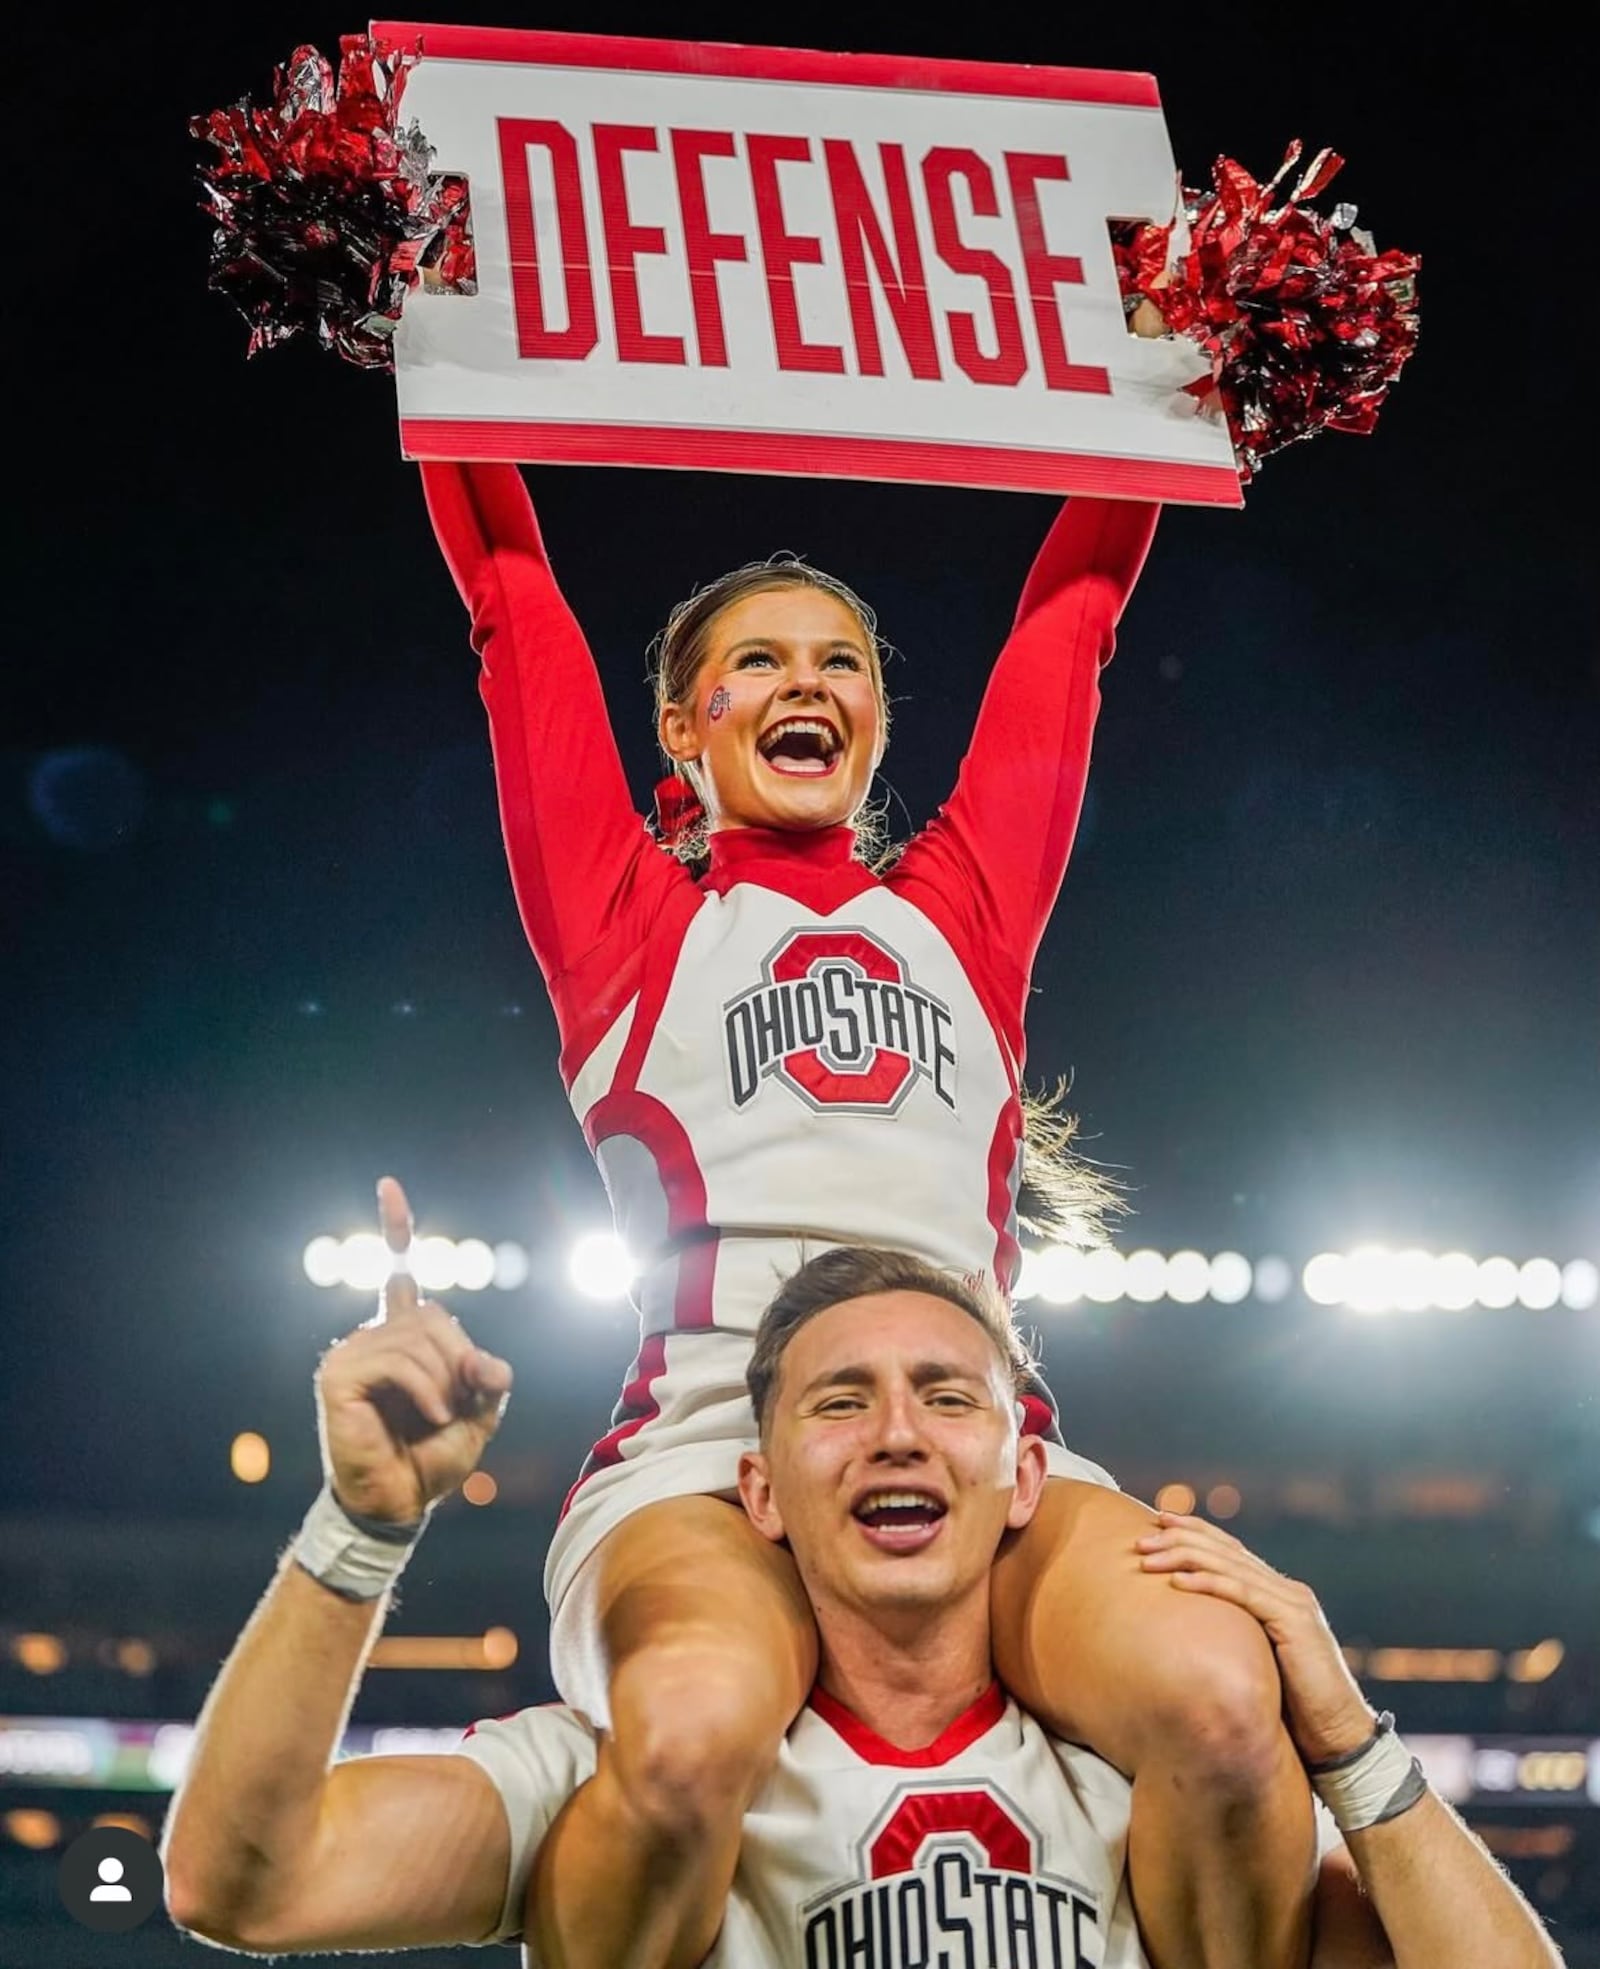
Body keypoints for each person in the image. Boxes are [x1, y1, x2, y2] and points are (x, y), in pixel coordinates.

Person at [421, 455, 1316, 1969]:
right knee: (694, 1734)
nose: (805, 681)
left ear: (878, 722)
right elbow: (512, 602)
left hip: (975, 1449)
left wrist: (1170, 390)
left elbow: (1079, 616)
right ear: (682, 727)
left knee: (1226, 1705)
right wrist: (428, 356)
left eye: (840, 660)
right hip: (706, 1449)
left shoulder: (961, 916)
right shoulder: (630, 923)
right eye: (755, 660)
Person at [161, 1194, 1562, 1969]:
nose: (897, 1428)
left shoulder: (1154, 1784)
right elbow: (245, 1881)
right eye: (842, 1400)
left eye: (947, 1394)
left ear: (1026, 1476)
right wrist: (360, 1530)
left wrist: (1349, 1747)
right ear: (755, 1493)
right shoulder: (635, 1771)